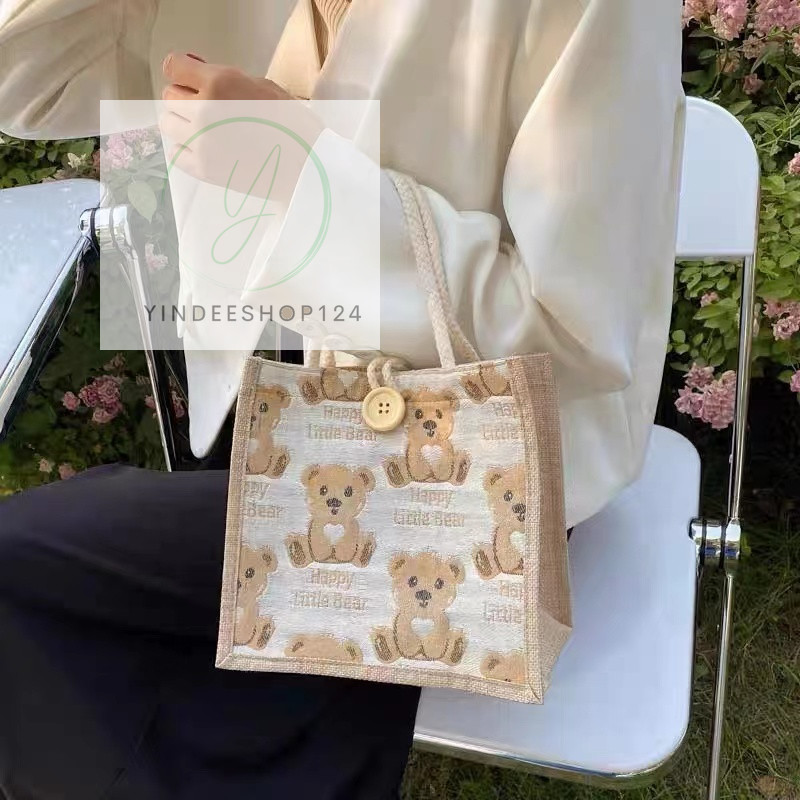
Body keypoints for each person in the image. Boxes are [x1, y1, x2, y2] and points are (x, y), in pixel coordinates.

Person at [0, 1, 685, 798]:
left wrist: (300, 176)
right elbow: (26, 83)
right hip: (265, 410)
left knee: (33, 581)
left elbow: (576, 337)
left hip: (472, 464)